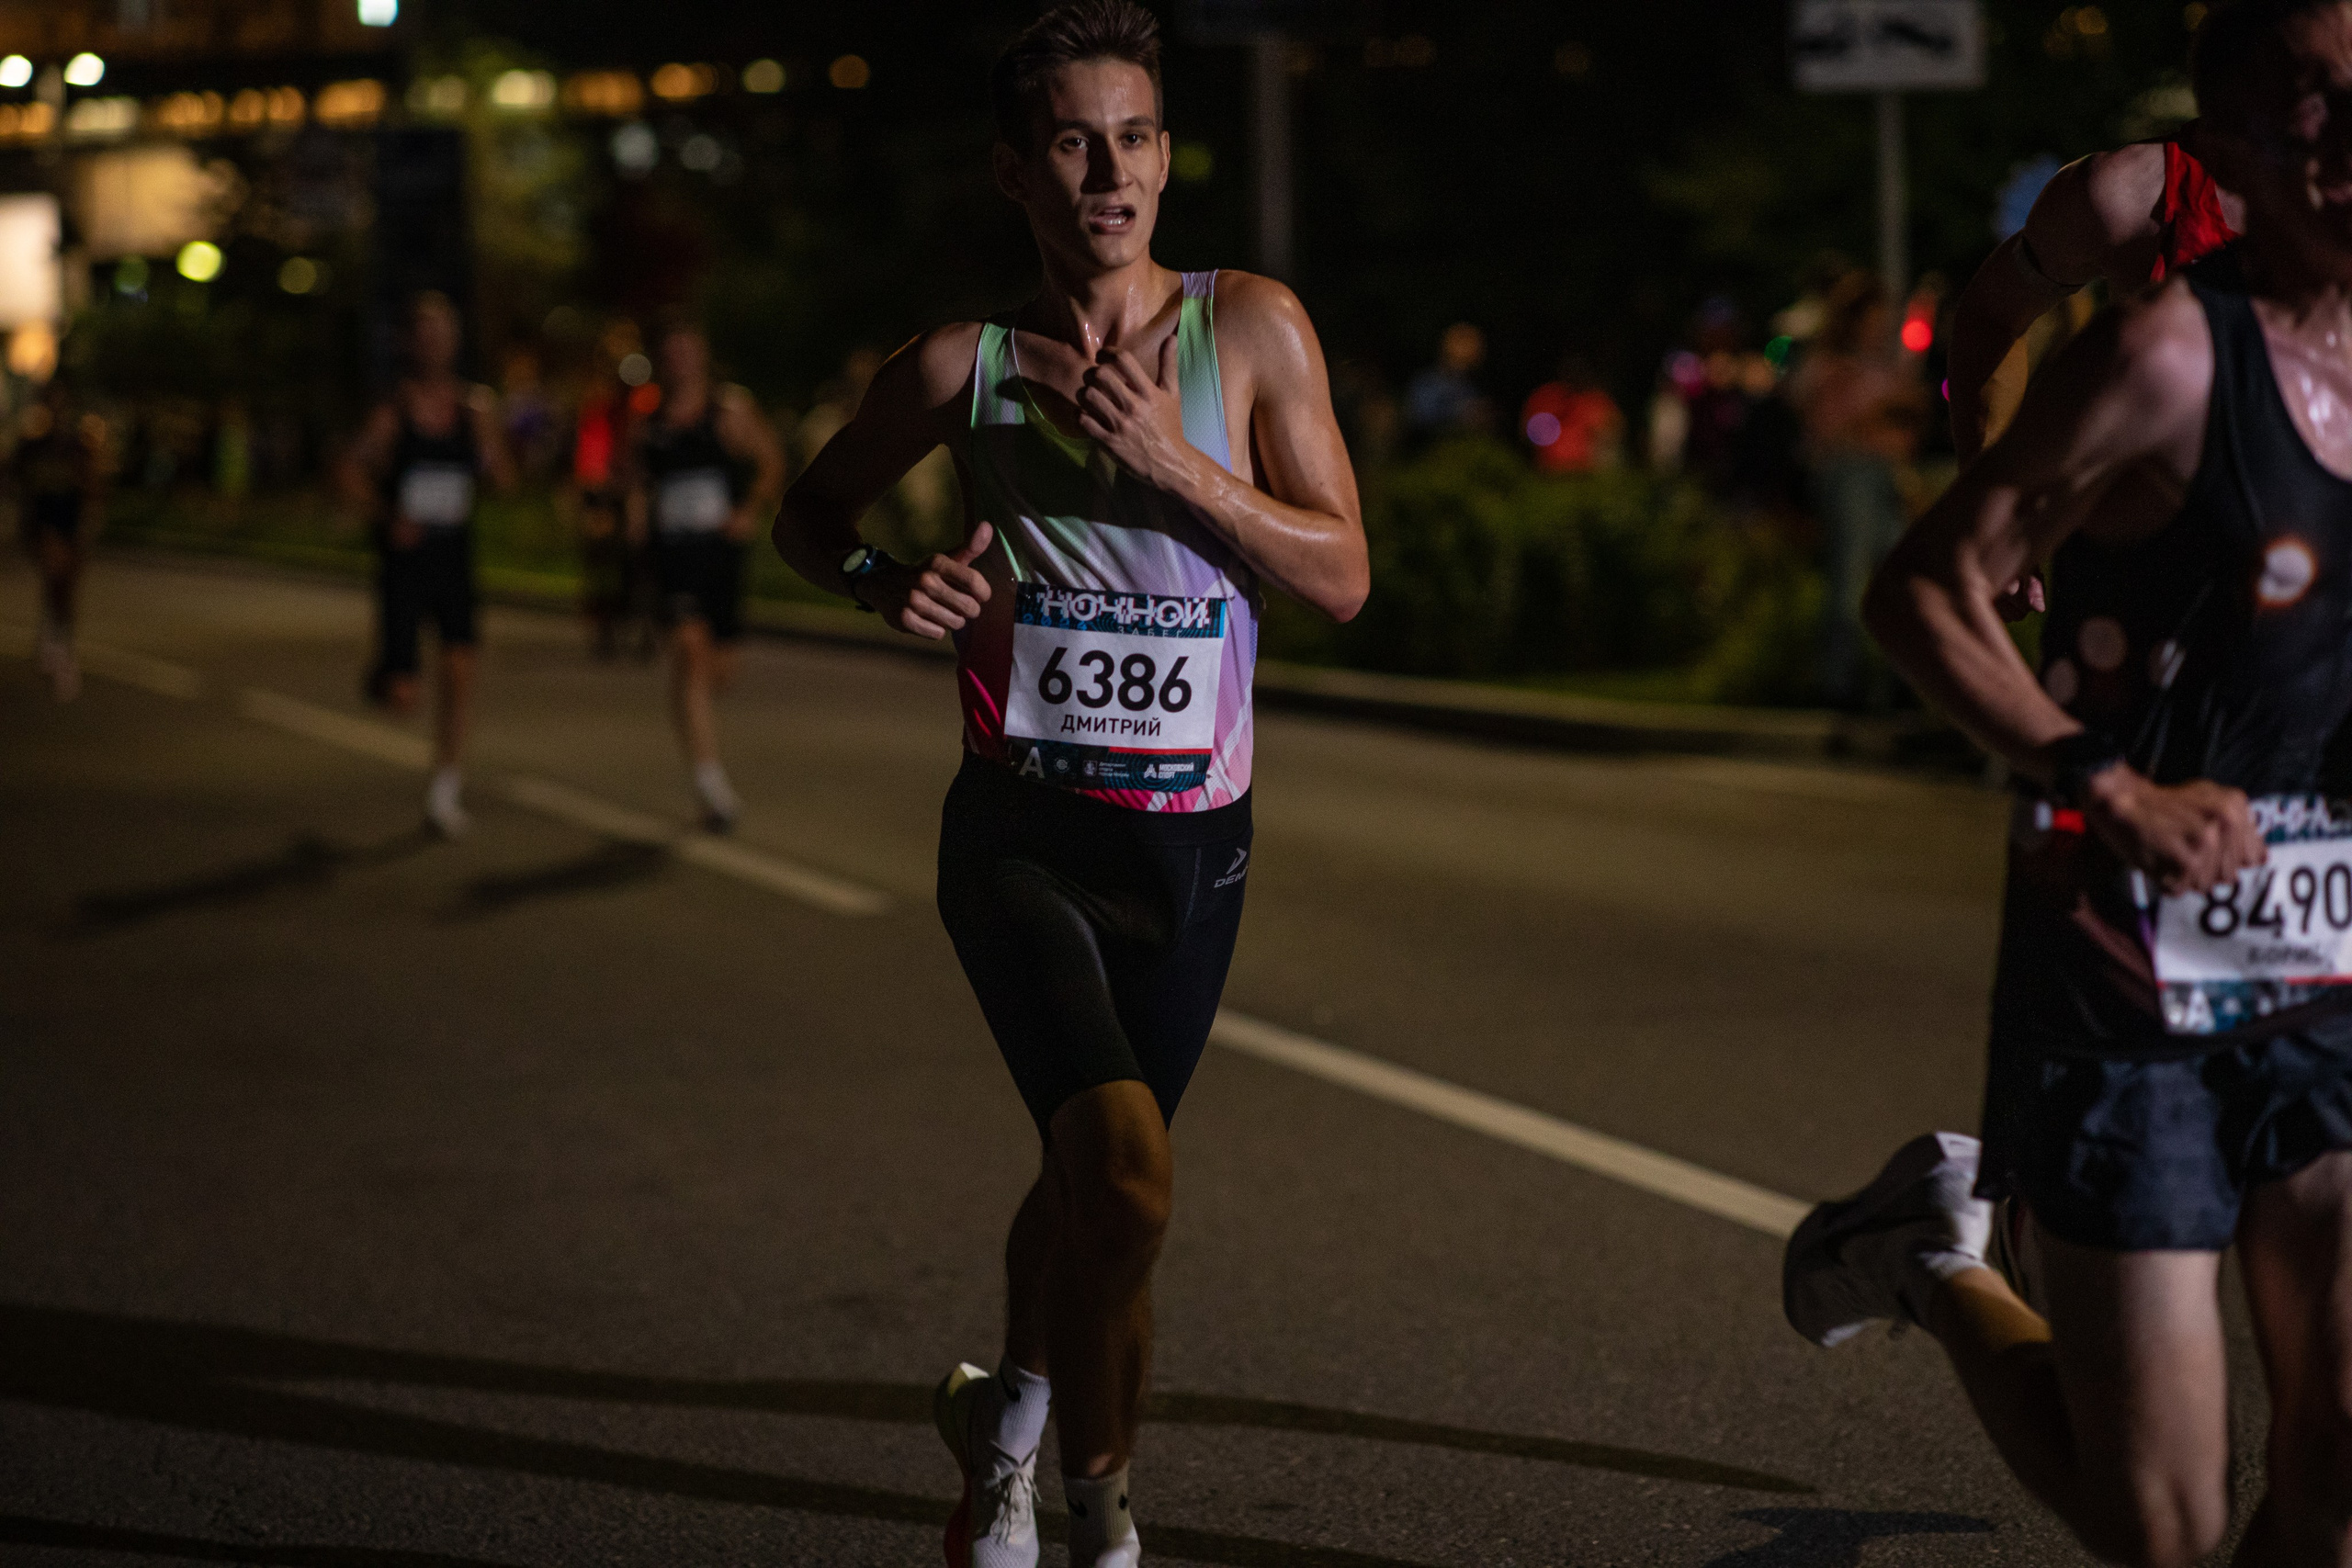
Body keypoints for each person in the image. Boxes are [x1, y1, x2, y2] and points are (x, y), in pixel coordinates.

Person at [772, 5, 1367, 1562]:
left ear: (1168, 158)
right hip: (1025, 836)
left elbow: (1347, 577)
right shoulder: (960, 366)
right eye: (1071, 140)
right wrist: (875, 580)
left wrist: (1176, 464)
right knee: (1122, 1176)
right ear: (1013, 172)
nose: (1110, 170)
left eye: (1136, 136)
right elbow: (811, 512)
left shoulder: (1250, 332)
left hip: (1194, 850)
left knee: (1106, 1193)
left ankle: (1011, 1428)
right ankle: (1100, 1515)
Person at [1785, 5, 2352, 1562]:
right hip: (2129, 877)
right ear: (2234, 126)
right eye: (2312, 100)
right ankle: (1938, 1258)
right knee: (2155, 1515)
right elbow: (1935, 520)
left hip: (2314, 920)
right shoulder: (2155, 298)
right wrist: (2017, 542)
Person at [338, 293, 514, 837]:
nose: (435, 343)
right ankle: (387, 673)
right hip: (406, 558)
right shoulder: (394, 411)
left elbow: (503, 480)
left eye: (444, 332)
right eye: (425, 332)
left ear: (456, 341)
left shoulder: (474, 410)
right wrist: (387, 515)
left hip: (454, 554)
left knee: (459, 671)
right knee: (402, 695)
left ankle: (445, 790)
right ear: (409, 343)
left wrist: (496, 461)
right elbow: (348, 469)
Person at [626, 319, 785, 831]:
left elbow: (770, 462)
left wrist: (750, 510)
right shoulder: (647, 422)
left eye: (687, 351)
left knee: (720, 671)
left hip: (720, 554)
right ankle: (709, 782)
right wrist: (633, 521)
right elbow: (633, 481)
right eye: (669, 353)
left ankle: (704, 755)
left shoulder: (729, 410)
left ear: (702, 356)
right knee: (689, 655)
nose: (679, 362)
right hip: (674, 557)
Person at [1786, 272, 1928, 708]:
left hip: (1885, 475)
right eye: (1874, 316)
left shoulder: (1879, 368)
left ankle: (1896, 686)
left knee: (1896, 580)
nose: (1882, 325)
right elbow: (1830, 430)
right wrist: (1878, 418)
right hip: (1848, 475)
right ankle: (1839, 685)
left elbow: (1912, 414)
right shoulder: (1830, 366)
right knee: (1849, 579)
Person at [14, 376, 107, 702]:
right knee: (55, 580)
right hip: (47, 526)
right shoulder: (32, 447)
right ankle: (58, 650)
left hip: (70, 524)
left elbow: (91, 486)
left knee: (65, 587)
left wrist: (88, 521)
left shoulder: (76, 446)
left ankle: (56, 641)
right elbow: (22, 484)